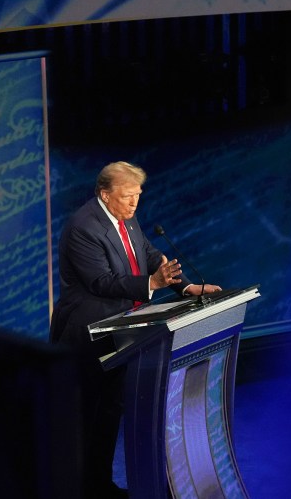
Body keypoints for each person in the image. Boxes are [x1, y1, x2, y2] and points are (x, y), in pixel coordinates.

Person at [50, 161, 220, 498]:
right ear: (105, 195)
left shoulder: (126, 216)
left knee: (110, 410)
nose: (134, 204)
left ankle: (99, 485)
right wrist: (151, 283)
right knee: (88, 415)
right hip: (90, 333)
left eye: (137, 196)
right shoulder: (83, 227)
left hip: (124, 330)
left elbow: (148, 252)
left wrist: (185, 288)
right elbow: (102, 282)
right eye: (128, 197)